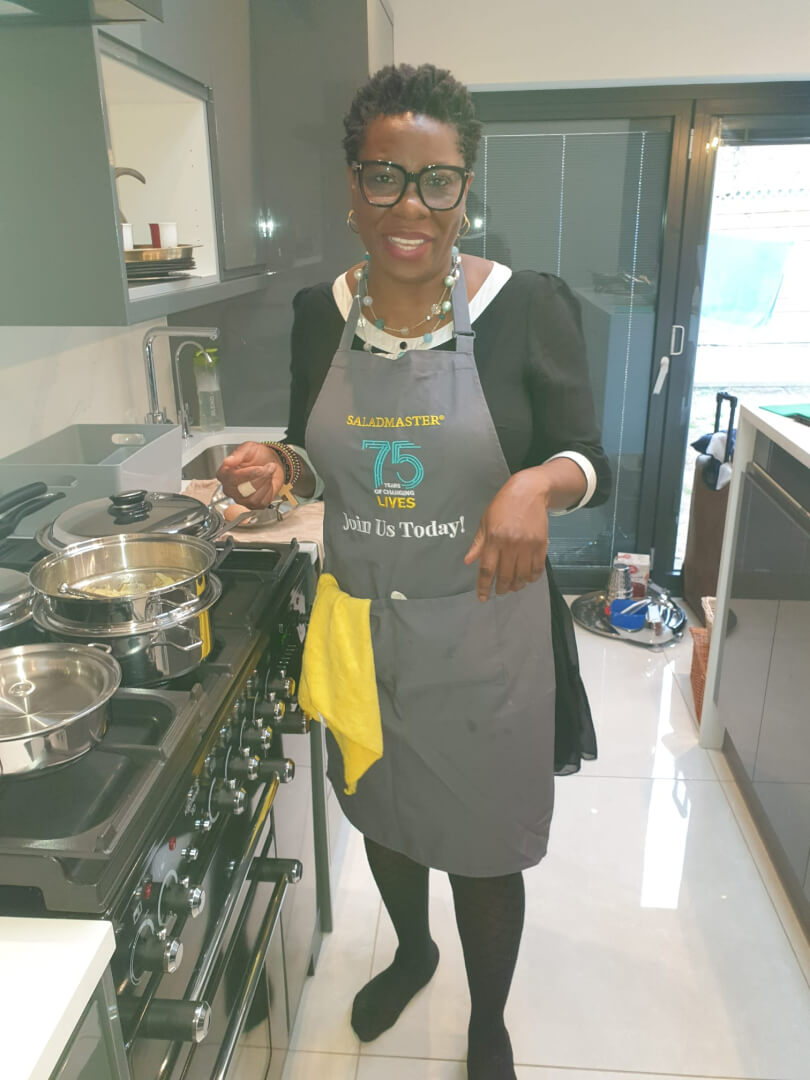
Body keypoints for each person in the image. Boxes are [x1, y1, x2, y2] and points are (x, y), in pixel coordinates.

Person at [217, 63, 610, 1080]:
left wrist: (541, 485)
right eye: (385, 177)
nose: (410, 205)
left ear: (464, 193)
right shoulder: (320, 310)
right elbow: (312, 449)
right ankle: (415, 947)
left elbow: (587, 458)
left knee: (483, 846)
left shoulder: (528, 308)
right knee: (382, 814)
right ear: (352, 191)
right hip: (361, 628)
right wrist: (279, 469)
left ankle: (488, 1020)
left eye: (437, 181)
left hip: (485, 637)